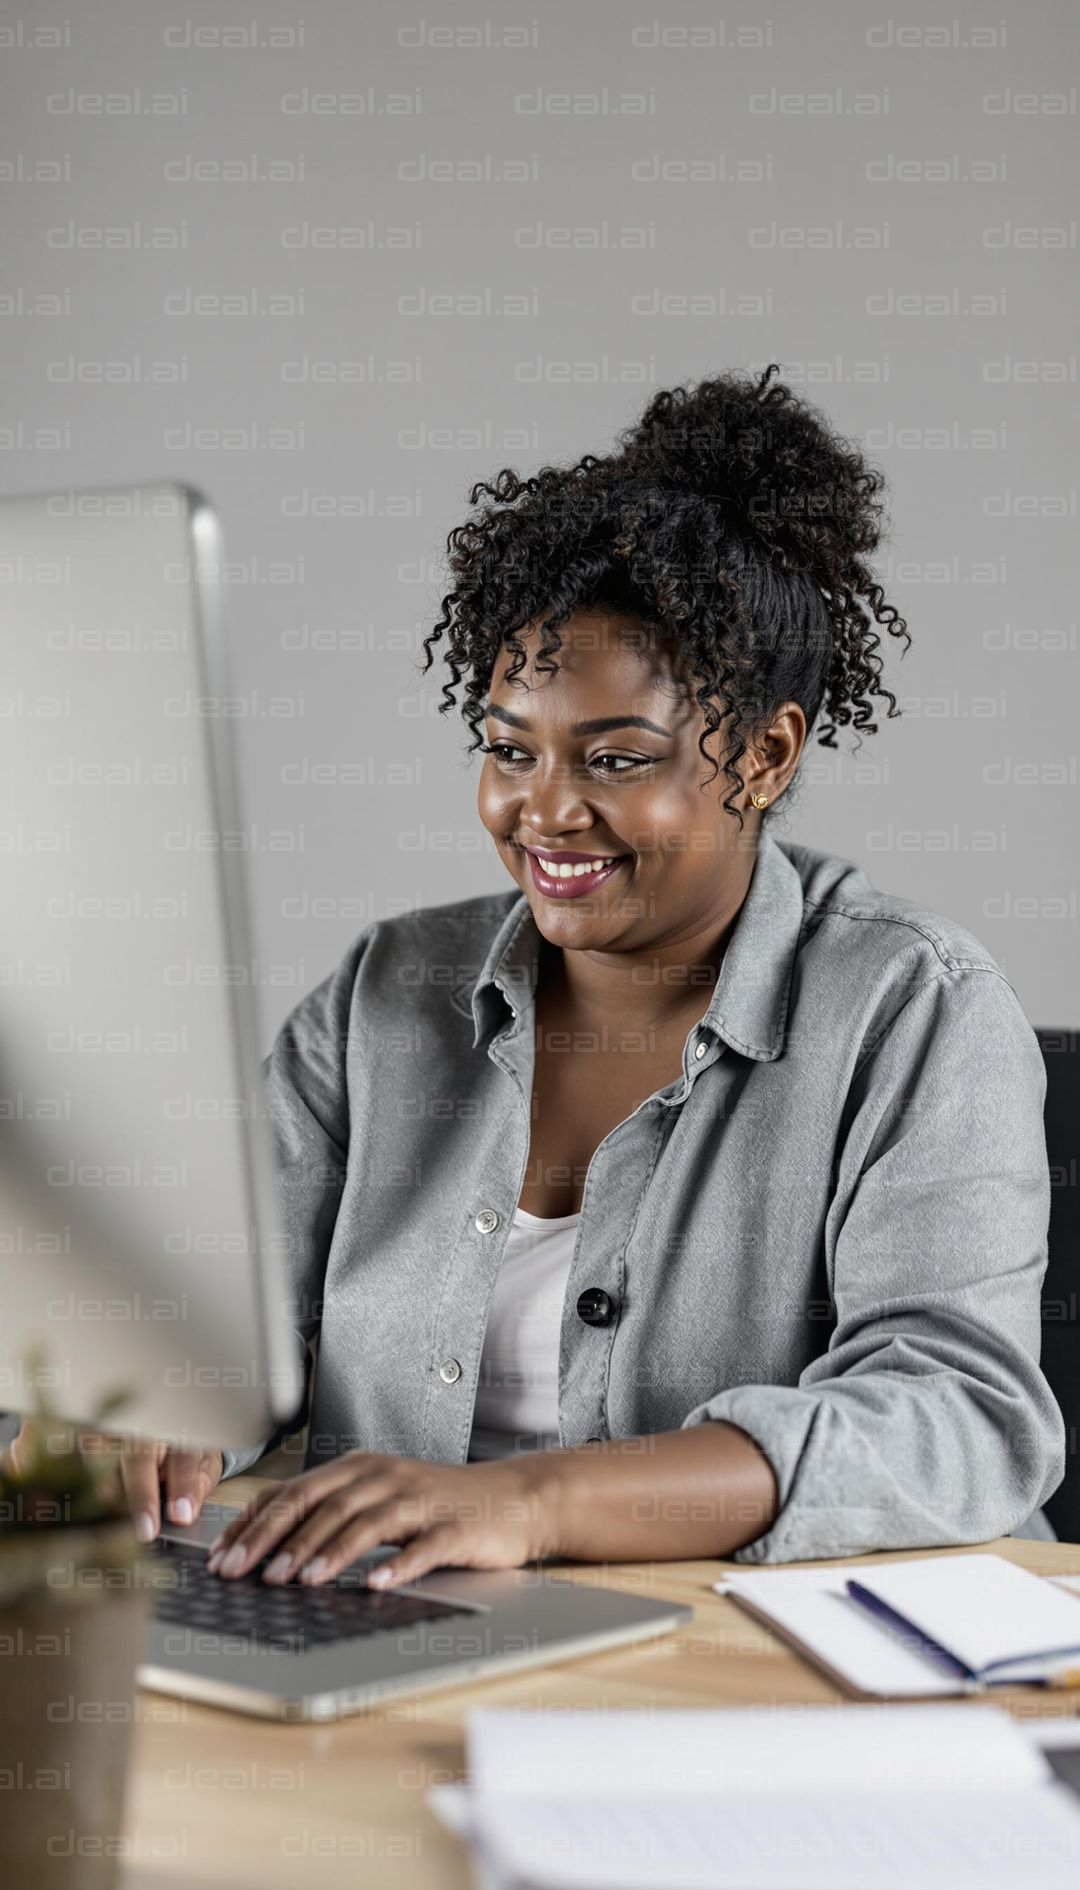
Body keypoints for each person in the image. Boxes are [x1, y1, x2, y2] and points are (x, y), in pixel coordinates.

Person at [10, 363, 1064, 1585]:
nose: (547, 811)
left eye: (617, 759)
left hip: (766, 1676)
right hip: (409, 1629)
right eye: (511, 749)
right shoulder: (386, 994)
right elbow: (200, 1329)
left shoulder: (914, 1008)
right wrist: (129, 1393)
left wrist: (532, 1501)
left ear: (767, 754)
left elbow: (959, 1419)